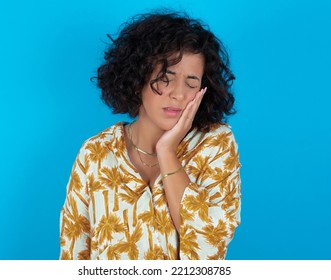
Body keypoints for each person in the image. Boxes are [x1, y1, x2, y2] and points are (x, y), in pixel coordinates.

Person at [59, 11, 241, 260]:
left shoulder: (215, 144)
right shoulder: (95, 153)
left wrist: (166, 151)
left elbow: (208, 248)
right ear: (137, 78)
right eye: (166, 78)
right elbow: (73, 253)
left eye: (191, 82)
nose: (178, 94)